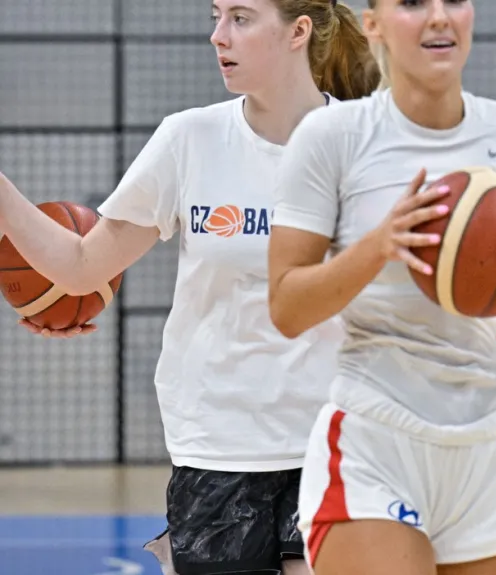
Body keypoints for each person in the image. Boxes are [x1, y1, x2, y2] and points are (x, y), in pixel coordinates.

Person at [0, 1, 379, 573]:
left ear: (299, 31)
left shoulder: (366, 146)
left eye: (240, 19)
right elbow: (81, 267)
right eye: (216, 16)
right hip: (218, 441)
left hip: (334, 439)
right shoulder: (189, 139)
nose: (217, 36)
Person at [265, 1, 496, 574]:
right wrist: (378, 246)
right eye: (411, 3)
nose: (438, 17)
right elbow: (286, 306)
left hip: (491, 438)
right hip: (377, 437)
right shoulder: (333, 137)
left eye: (453, 0)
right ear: (372, 23)